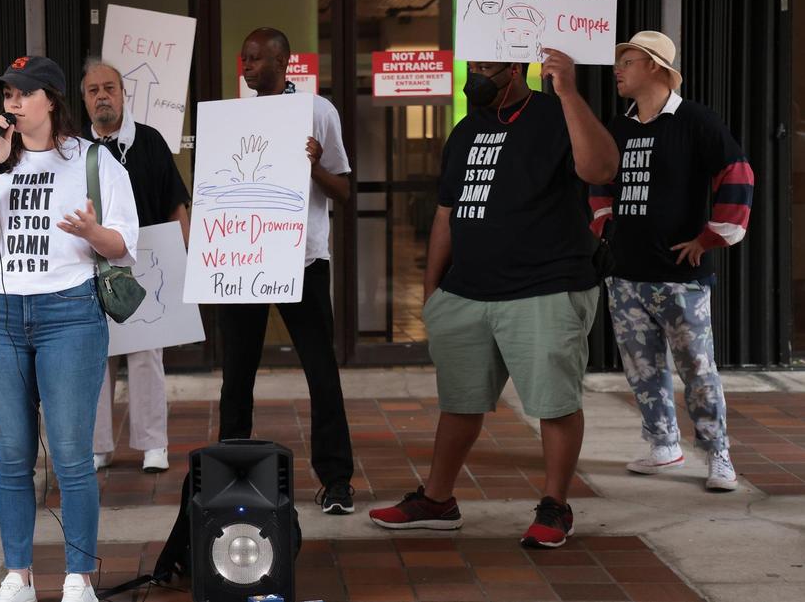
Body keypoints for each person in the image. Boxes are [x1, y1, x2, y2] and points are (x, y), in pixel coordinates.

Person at [368, 52, 619, 548]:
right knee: (459, 402)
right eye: (473, 69)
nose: (475, 78)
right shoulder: (466, 130)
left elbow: (601, 167)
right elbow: (446, 212)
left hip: (546, 286)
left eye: (486, 70)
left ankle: (555, 506)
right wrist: (433, 290)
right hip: (468, 291)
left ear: (515, 70)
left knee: (554, 402)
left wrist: (568, 91)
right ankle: (437, 501)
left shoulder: (555, 115)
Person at [0, 55, 138, 602]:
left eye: (23, 93)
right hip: (1, 315)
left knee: (71, 454)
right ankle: (18, 576)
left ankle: (79, 578)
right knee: (12, 456)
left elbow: (123, 244)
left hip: (70, 314)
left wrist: (93, 232)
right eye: (6, 94)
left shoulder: (93, 161)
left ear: (51, 100)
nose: (11, 103)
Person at [589, 31, 754, 491]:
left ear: (655, 68)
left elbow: (738, 174)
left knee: (697, 368)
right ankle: (663, 444)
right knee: (641, 367)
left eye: (627, 62)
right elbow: (599, 180)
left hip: (680, 278)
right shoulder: (618, 127)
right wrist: (605, 226)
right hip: (625, 274)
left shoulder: (696, 121)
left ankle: (717, 452)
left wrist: (710, 237)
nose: (618, 70)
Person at [220, 27, 356, 515]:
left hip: (303, 260)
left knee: (321, 371)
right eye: (244, 57)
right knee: (237, 374)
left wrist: (313, 166)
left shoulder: (318, 111)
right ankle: (228, 476)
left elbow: (343, 191)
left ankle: (337, 480)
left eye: (256, 58)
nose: (246, 66)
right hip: (246, 259)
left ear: (283, 62)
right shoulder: (236, 116)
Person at [80, 58, 190, 474]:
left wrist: (186, 260)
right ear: (84, 99)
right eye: (93, 90)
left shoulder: (150, 141)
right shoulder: (76, 150)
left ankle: (153, 444)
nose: (102, 96)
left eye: (109, 88)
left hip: (146, 262)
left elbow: (175, 202)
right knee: (96, 358)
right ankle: (98, 446)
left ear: (123, 94)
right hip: (91, 266)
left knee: (146, 356)